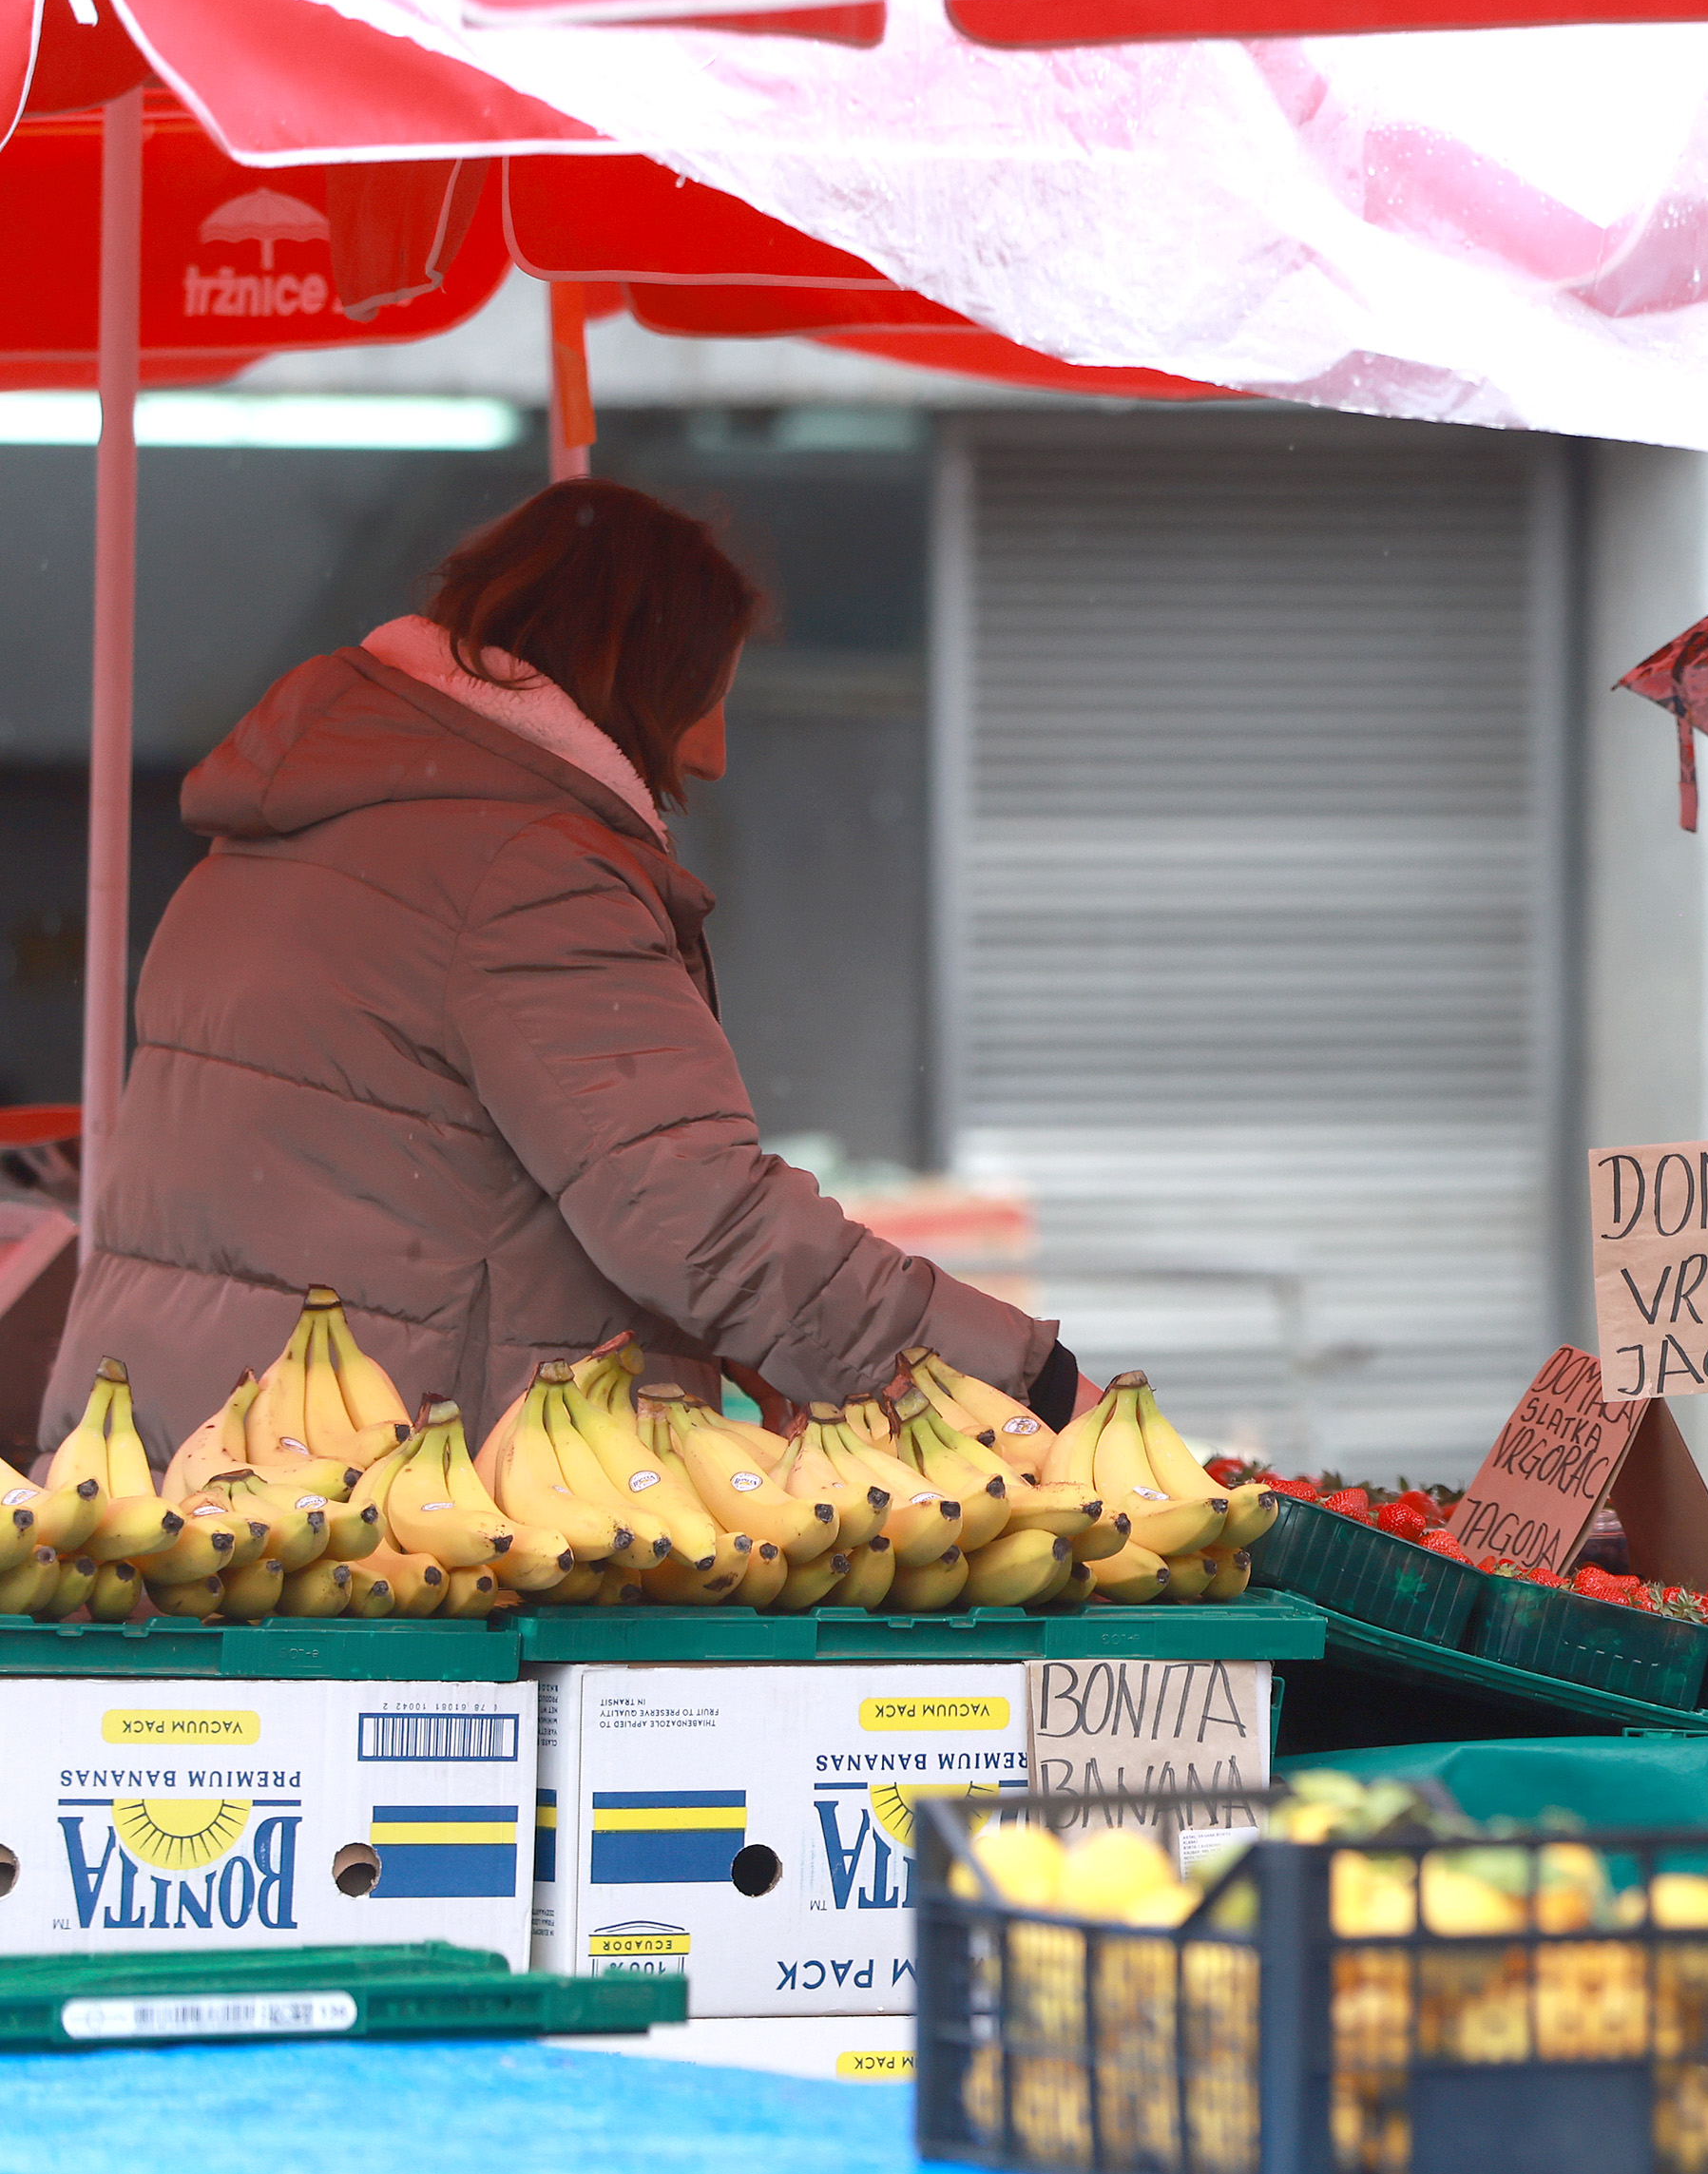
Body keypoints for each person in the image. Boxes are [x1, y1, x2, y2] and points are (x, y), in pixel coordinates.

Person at [49, 479, 1074, 1451]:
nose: (709, 755)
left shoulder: (279, 833)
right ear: (636, 675)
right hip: (373, 1514)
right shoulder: (525, 870)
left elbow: (442, 1179)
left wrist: (721, 1340)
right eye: (705, 696)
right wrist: (1017, 1375)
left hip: (169, 1466)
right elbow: (699, 1219)